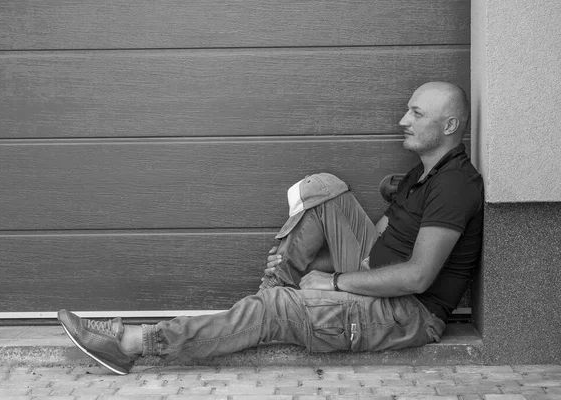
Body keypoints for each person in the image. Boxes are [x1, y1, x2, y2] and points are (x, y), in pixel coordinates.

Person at [58, 81, 484, 375]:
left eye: (415, 113)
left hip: (408, 313)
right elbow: (380, 237)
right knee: (325, 190)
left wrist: (335, 283)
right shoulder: (423, 172)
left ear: (449, 126)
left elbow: (418, 276)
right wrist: (331, 268)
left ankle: (133, 344)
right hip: (377, 276)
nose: (401, 120)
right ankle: (268, 304)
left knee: (276, 309)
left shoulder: (455, 185)